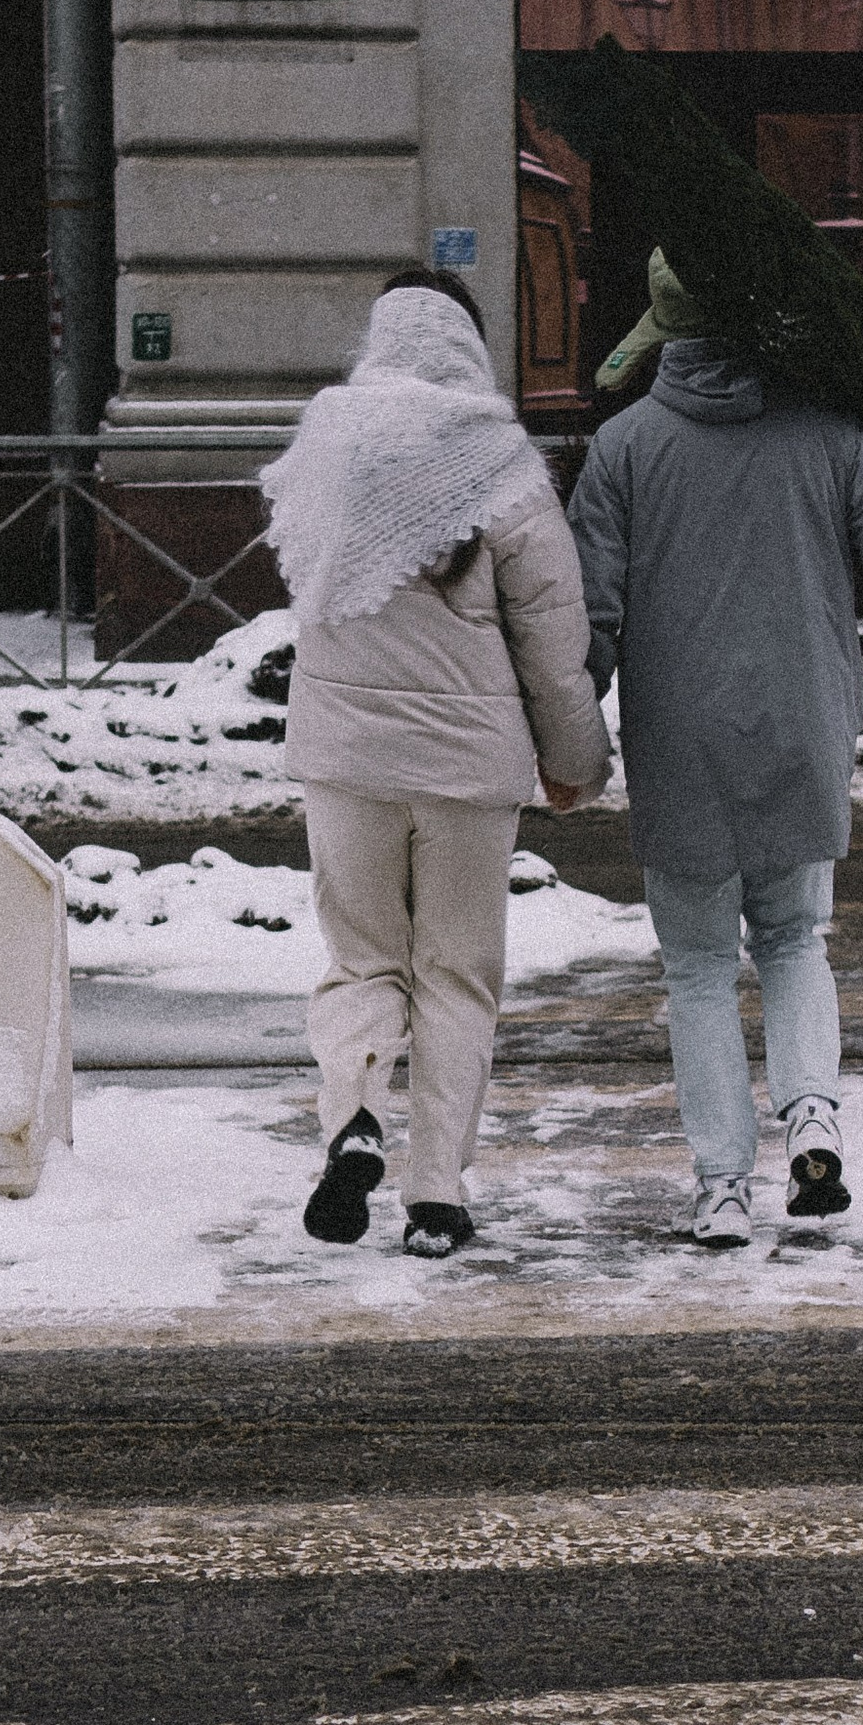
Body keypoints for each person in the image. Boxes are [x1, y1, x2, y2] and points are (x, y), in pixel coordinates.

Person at [570, 255, 863, 1247]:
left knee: (697, 966)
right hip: (802, 724)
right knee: (792, 942)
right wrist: (862, 425)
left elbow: (589, 618)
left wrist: (565, 725)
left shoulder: (622, 447)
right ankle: (813, 1120)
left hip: (680, 735)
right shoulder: (831, 433)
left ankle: (722, 1188)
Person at [261, 266, 610, 1261]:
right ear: (470, 344)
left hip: (345, 758)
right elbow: (552, 641)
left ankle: (356, 1118)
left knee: (360, 960)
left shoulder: (324, 445)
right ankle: (438, 1193)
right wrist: (576, 762)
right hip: (469, 767)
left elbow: (301, 583)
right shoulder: (501, 462)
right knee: (455, 976)